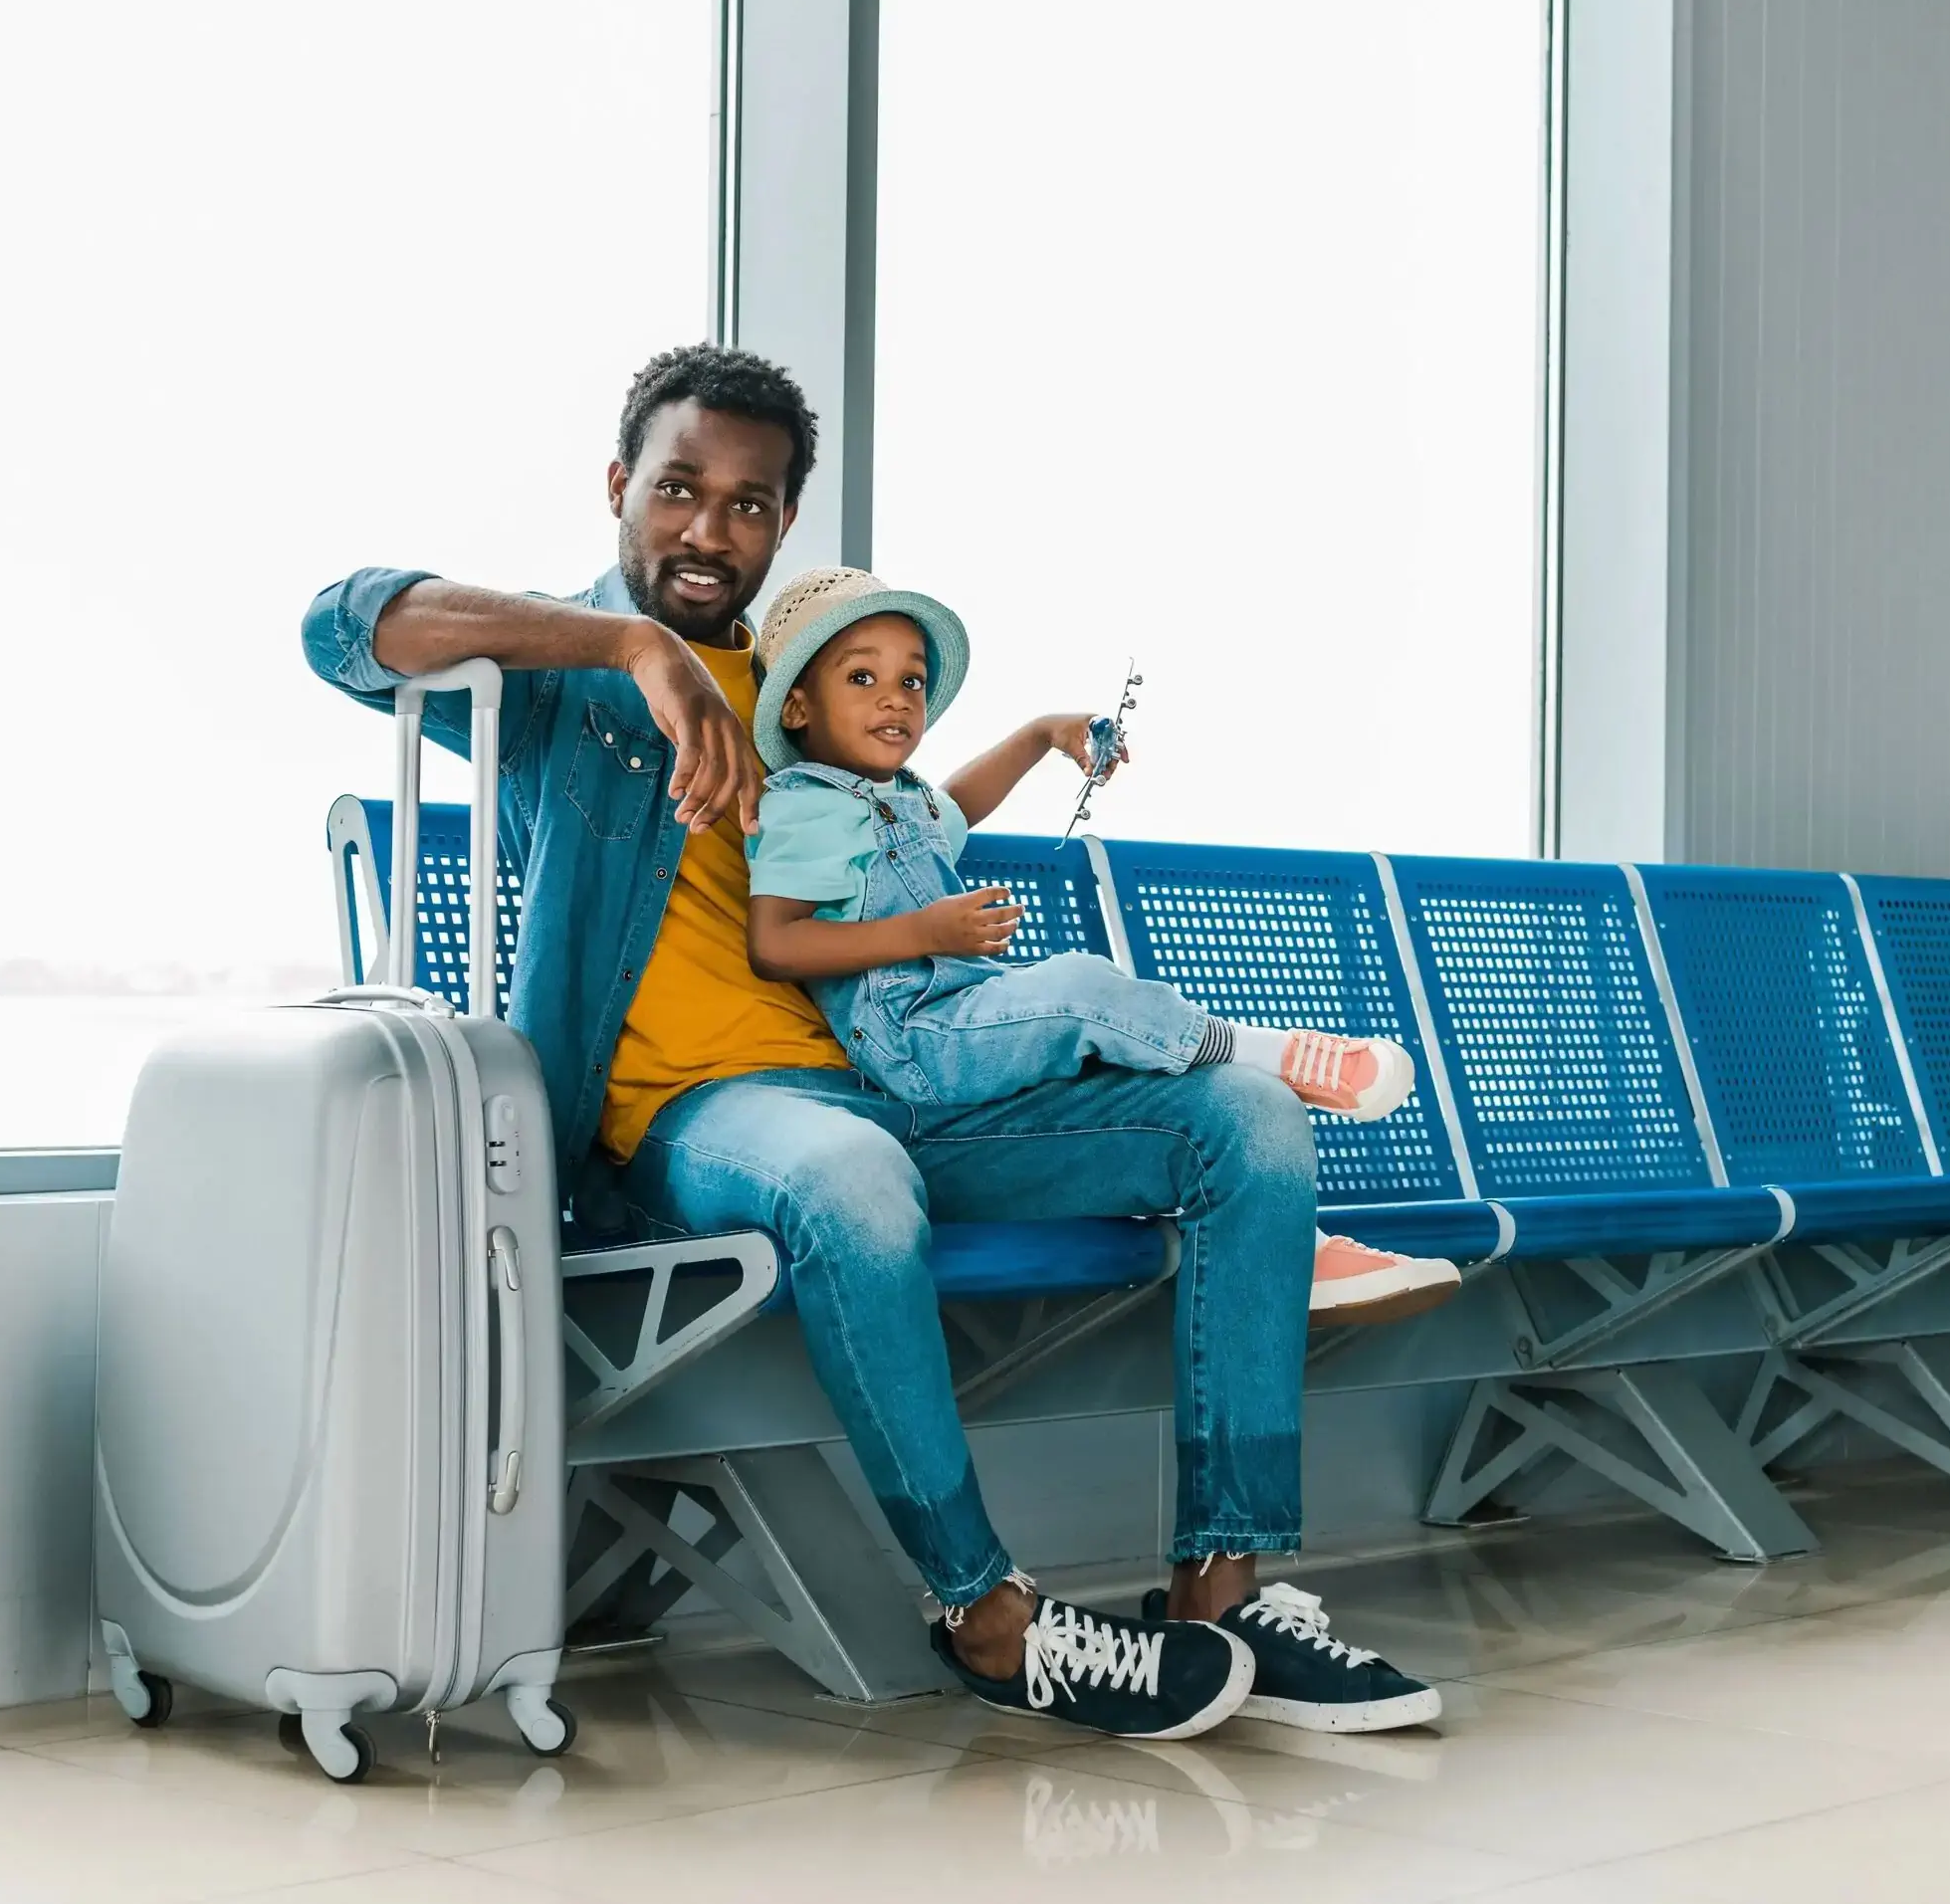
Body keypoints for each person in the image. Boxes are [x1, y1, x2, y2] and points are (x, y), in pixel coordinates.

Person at [302, 342, 1439, 1739]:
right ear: (618, 487)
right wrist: (632, 646)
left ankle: (1222, 1593)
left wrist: (1020, 747)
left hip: (890, 1087)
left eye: (750, 504)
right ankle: (985, 1610)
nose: (710, 530)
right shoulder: (567, 685)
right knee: (846, 1171)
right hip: (695, 1121)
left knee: (1244, 1118)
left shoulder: (804, 688)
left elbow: (907, 841)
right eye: (678, 489)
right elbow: (339, 622)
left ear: (785, 522)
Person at [742, 562, 1464, 1328]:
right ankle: (1260, 1050)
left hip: (969, 1021)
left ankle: (1300, 1248)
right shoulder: (802, 807)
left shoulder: (901, 799)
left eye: (912, 682)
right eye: (862, 677)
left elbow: (959, 805)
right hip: (921, 1042)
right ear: (796, 707)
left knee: (1183, 1100)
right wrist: (923, 932)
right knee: (1081, 986)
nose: (895, 698)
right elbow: (776, 942)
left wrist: (1040, 735)